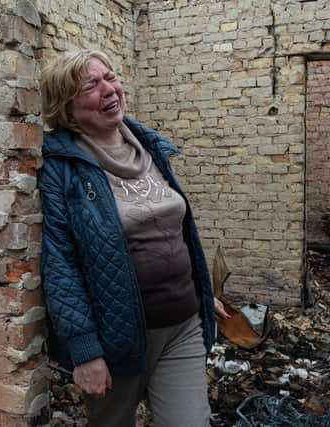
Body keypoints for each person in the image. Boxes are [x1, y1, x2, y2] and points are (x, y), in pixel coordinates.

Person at [38, 49, 230, 427]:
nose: (109, 88)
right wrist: (84, 350)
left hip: (183, 326)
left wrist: (205, 294)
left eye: (111, 77)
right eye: (91, 85)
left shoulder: (152, 148)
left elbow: (177, 232)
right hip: (116, 340)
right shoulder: (61, 168)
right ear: (66, 106)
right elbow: (60, 263)